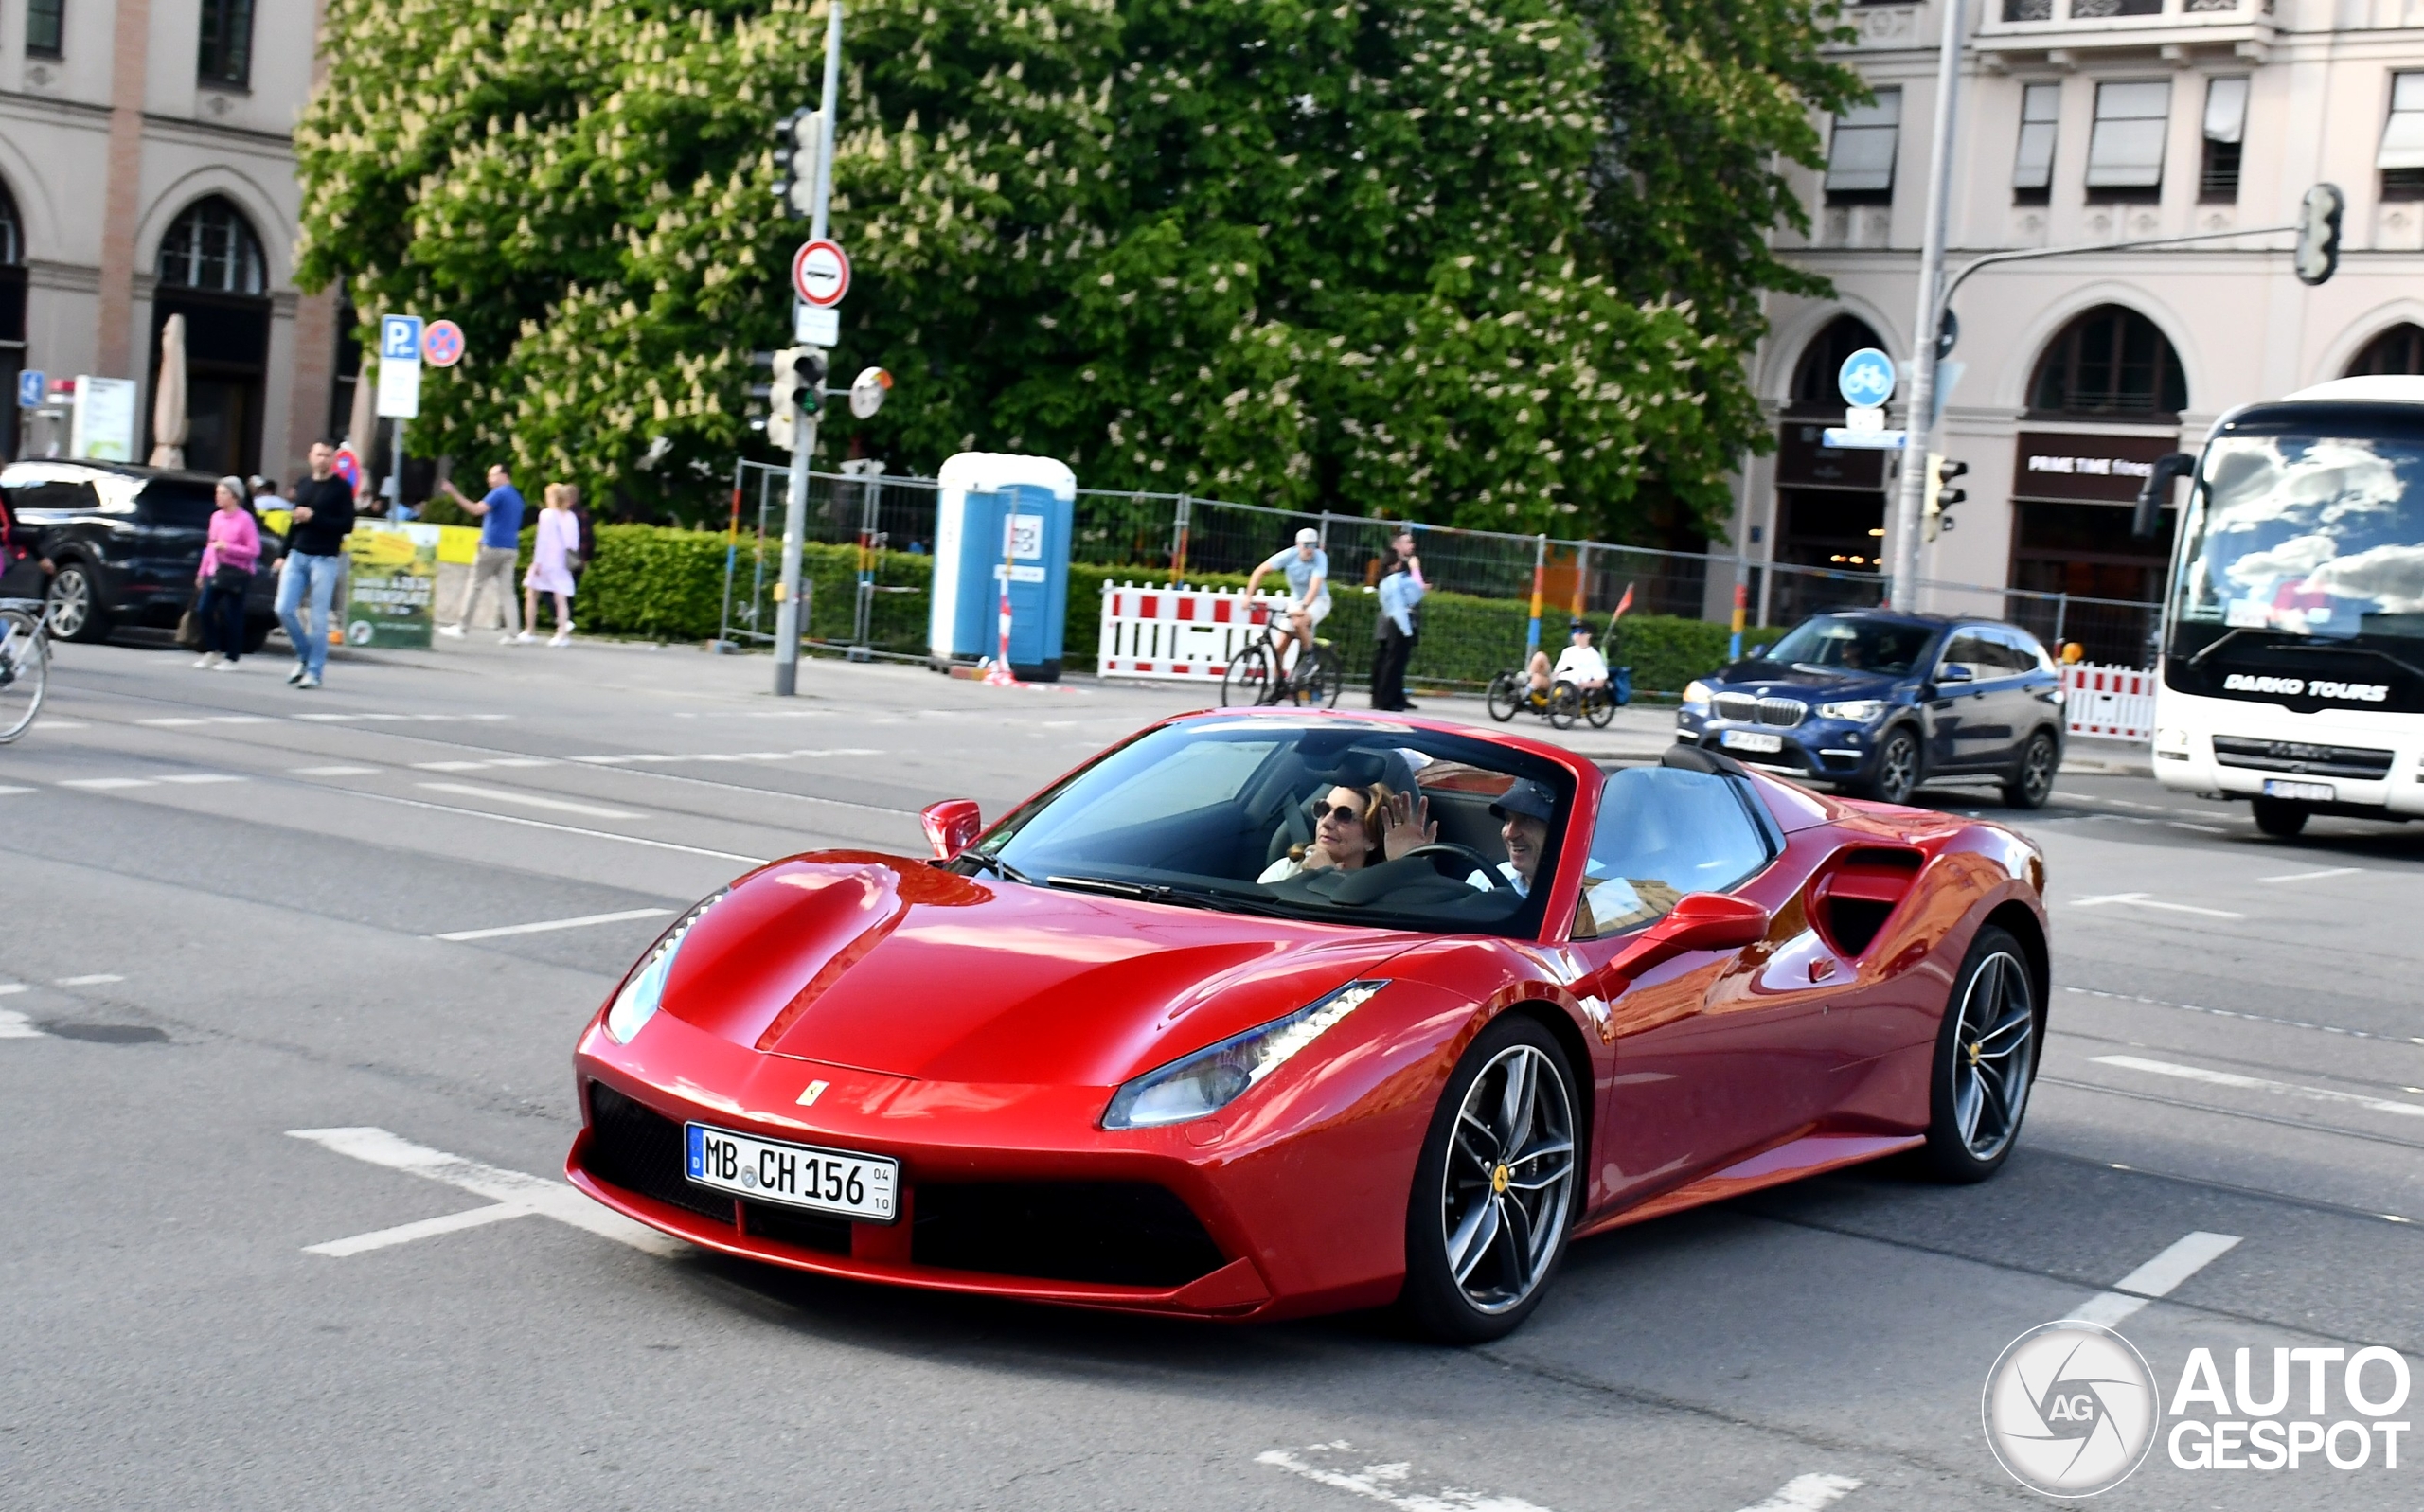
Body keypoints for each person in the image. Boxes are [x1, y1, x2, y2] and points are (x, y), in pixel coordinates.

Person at [278, 441, 355, 689]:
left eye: (327, 455)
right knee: (283, 608)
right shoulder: (304, 484)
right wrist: (283, 553)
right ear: (310, 456)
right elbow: (294, 521)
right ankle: (304, 655)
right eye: (319, 454)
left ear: (333, 460)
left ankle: (314, 670)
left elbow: (346, 525)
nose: (322, 459)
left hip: (324, 557)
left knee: (318, 618)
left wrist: (315, 517)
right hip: (298, 554)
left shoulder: (341, 488)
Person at [1257, 785, 1435, 882]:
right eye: (1323, 809)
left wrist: (1405, 869)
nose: (1326, 822)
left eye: (1344, 815)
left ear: (1372, 839)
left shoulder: (1383, 889)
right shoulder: (1286, 869)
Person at [437, 462, 526, 640]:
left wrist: (453, 492)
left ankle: (462, 628)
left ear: (504, 476)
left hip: (491, 547)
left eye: (493, 475)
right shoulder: (517, 497)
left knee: (475, 585)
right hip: (511, 548)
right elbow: (504, 522)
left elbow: (477, 510)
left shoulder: (498, 494)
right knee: (507, 592)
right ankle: (513, 633)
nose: (490, 479)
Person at [1243, 527, 1329, 685]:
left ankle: (1310, 657)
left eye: (1313, 545)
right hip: (1296, 601)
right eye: (1306, 545)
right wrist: (1249, 596)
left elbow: (1314, 587)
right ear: (1298, 545)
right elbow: (1260, 571)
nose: (1310, 550)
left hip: (1318, 600)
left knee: (1298, 621)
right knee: (1280, 648)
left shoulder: (1320, 557)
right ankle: (1278, 686)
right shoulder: (1289, 555)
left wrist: (1302, 607)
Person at [191, 477, 260, 671]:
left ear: (235, 496)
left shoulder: (245, 519)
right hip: (217, 570)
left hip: (238, 572)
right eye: (217, 493)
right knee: (204, 608)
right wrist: (202, 572)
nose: (218, 497)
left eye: (223, 493)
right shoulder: (216, 517)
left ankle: (232, 657)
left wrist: (229, 548)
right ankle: (212, 650)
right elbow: (210, 546)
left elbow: (254, 550)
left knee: (233, 614)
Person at [517, 483, 580, 647]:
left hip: (546, 561)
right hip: (562, 563)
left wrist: (537, 562)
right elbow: (574, 543)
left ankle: (529, 630)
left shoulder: (546, 515)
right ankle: (562, 633)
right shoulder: (571, 517)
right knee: (561, 598)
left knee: (531, 594)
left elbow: (542, 540)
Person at [1370, 527, 1426, 712]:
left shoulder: (1403, 566)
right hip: (1395, 616)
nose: (1412, 545)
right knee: (1390, 658)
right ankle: (1383, 696)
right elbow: (1410, 591)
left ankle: (1396, 695)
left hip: (1403, 615)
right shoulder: (1394, 567)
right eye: (1408, 542)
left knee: (1398, 658)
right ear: (1397, 545)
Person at [1489, 778, 1556, 897]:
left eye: (1527, 820)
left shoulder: (1594, 899)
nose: (1510, 834)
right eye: (1508, 819)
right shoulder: (1486, 879)